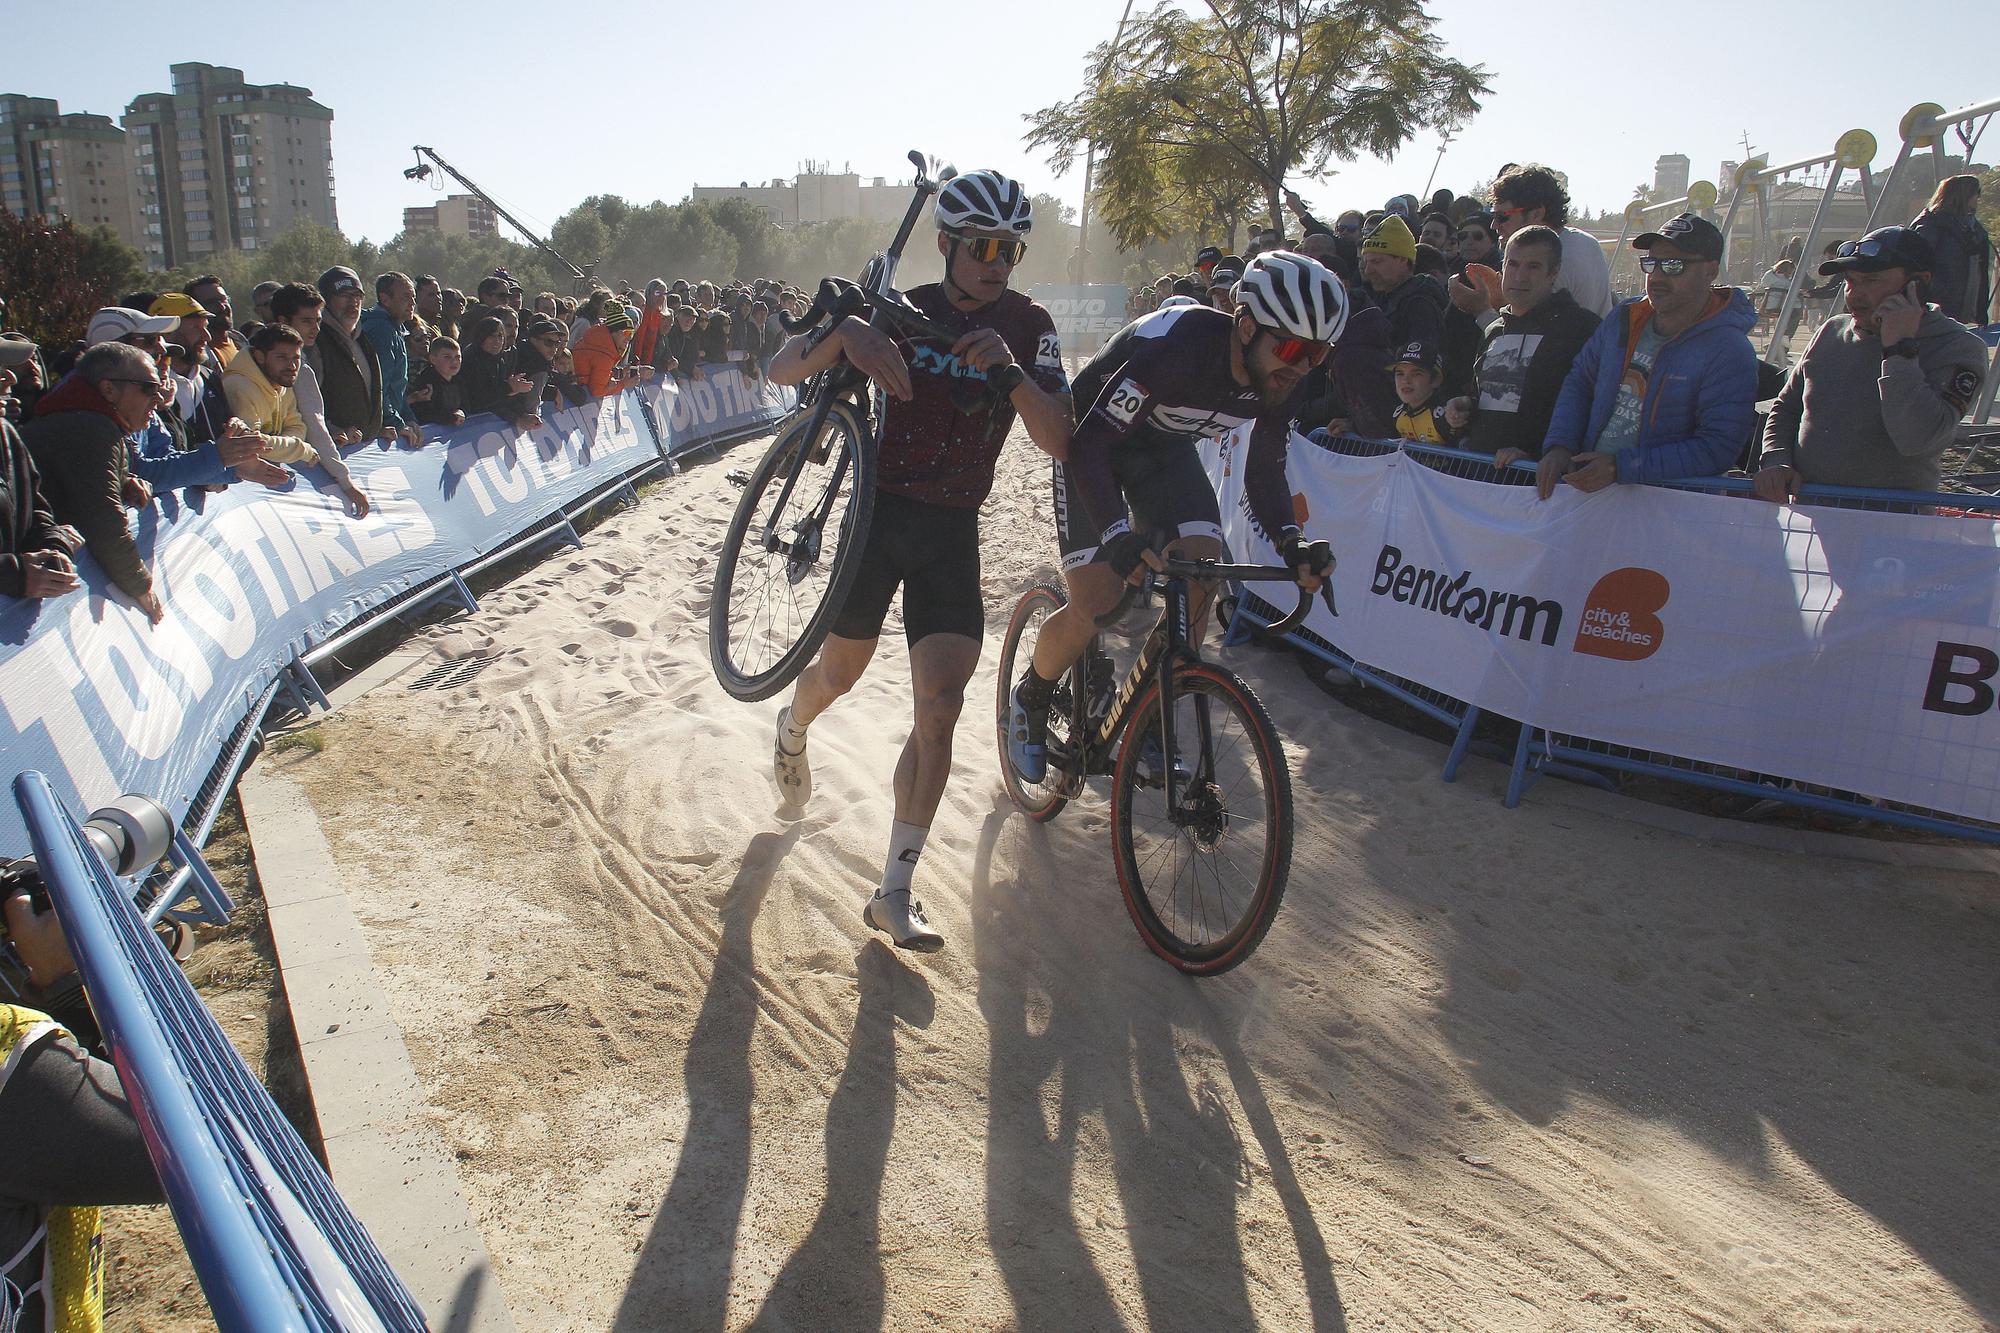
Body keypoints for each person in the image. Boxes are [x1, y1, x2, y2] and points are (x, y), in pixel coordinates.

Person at [766, 169, 1073, 952]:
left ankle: (895, 890)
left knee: (940, 706)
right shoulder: (902, 309)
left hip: (952, 530)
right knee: (836, 677)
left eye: (1010, 248)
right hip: (879, 517)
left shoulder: (1030, 323)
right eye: (982, 246)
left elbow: (1059, 438)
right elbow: (782, 369)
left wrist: (1008, 369)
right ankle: (793, 726)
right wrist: (849, 336)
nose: (997, 260)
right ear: (946, 244)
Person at [1007, 251, 1340, 786]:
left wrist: (1291, 543)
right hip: (1094, 444)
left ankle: (1152, 718)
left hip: (1163, 450)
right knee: (1097, 603)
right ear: (1247, 325)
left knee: (1202, 576)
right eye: (1293, 348)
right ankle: (1031, 696)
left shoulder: (1280, 375)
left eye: (1318, 354)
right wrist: (1117, 535)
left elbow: (1263, 466)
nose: (1302, 366)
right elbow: (1089, 445)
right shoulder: (1179, 352)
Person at [1755, 226, 1992, 497]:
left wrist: (1899, 349)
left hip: (1891, 523)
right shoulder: (1831, 331)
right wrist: (1776, 460)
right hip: (1809, 517)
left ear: (1917, 284)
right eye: (1850, 281)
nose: (1854, 294)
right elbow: (1786, 408)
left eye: (1871, 280)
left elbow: (1917, 439)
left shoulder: (1957, 347)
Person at [1536, 212, 1757, 498]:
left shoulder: (1730, 350)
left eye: (1674, 265)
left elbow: (1718, 447)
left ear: (1710, 271)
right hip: (1596, 493)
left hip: (1669, 510)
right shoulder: (1624, 319)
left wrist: (1621, 467)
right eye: (1651, 264)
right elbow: (1580, 382)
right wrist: (1560, 446)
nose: (1657, 276)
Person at [20, 342, 168, 622]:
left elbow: (82, 478)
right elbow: (103, 520)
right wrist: (141, 587)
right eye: (148, 388)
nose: (158, 399)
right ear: (108, 389)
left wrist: (123, 479)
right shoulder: (88, 427)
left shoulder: (89, 418)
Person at [1445, 224, 1602, 464]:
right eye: (1513, 264)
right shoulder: (1494, 330)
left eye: (1534, 266)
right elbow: (1485, 397)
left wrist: (1536, 454)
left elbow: (1589, 407)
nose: (1519, 276)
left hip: (1541, 482)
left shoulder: (1583, 328)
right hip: (1479, 475)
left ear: (1554, 272)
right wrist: (1464, 405)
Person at [266, 283, 370, 516]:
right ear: (283, 320)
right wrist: (346, 482)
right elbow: (313, 424)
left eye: (318, 321)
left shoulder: (286, 358)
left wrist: (332, 428)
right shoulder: (296, 367)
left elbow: (308, 416)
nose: (315, 329)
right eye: (306, 321)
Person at [1, 337, 80, 602]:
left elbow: (36, 511)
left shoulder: (6, 433)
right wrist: (14, 574)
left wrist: (54, 547)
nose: (9, 380)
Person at [1492, 164, 1614, 318]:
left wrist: (1482, 309)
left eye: (1502, 216)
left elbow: (1523, 333)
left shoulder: (1555, 260)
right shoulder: (1586, 242)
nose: (1494, 225)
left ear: (1536, 215)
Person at [310, 267, 387, 445]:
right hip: (333, 451)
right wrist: (332, 430)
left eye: (357, 295)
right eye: (344, 295)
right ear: (326, 300)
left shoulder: (363, 339)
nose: (353, 302)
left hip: (364, 451)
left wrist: (379, 428)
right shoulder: (316, 342)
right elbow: (306, 405)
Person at [1910, 175, 1992, 325]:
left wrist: (1981, 313)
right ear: (1965, 195)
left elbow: (1980, 273)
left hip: (1963, 309)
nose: (1978, 199)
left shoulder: (1973, 229)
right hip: (1934, 308)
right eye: (1976, 194)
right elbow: (1916, 264)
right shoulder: (1932, 224)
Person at [1359, 216, 1444, 351]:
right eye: (1366, 262)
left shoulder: (1420, 305)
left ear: (1403, 260)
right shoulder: (1381, 298)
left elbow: (1418, 364)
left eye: (1376, 262)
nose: (1368, 271)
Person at [357, 273, 424, 445]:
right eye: (405, 297)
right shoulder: (381, 331)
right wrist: (396, 423)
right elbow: (380, 386)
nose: (412, 303)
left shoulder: (395, 329)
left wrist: (409, 418)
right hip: (377, 428)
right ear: (385, 299)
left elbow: (397, 387)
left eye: (413, 297)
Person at [1389, 341, 1468, 445]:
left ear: (1436, 380)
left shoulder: (1448, 415)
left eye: (1416, 374)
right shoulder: (1397, 415)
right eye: (1400, 374)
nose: (1405, 381)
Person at [572, 308, 654, 399]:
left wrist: (622, 372)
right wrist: (624, 384)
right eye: (626, 333)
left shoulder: (595, 342)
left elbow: (596, 374)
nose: (629, 337)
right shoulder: (604, 354)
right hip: (582, 399)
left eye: (632, 333)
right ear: (614, 332)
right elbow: (596, 391)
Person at [411, 337, 466, 427]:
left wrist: (462, 412)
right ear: (433, 359)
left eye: (457, 357)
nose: (454, 361)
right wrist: (451, 418)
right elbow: (424, 414)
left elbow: (466, 405)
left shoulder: (460, 379)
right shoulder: (426, 381)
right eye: (447, 357)